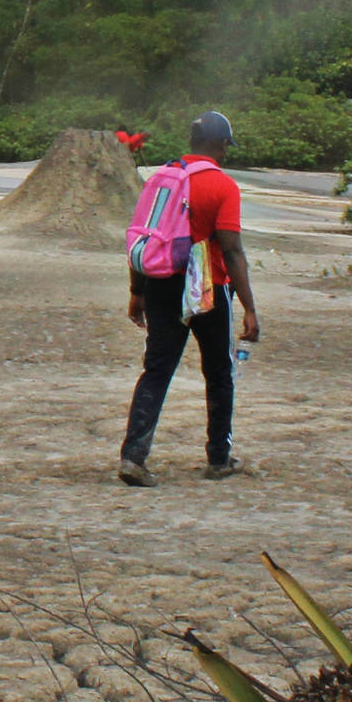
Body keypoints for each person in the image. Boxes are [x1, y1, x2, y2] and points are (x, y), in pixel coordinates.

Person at [118, 111, 260, 486]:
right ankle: (218, 458)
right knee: (218, 372)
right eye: (227, 145)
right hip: (209, 287)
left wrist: (137, 292)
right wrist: (249, 307)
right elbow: (231, 250)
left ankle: (133, 457)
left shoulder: (163, 177)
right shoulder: (223, 186)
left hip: (162, 282)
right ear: (219, 144)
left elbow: (142, 237)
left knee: (157, 370)